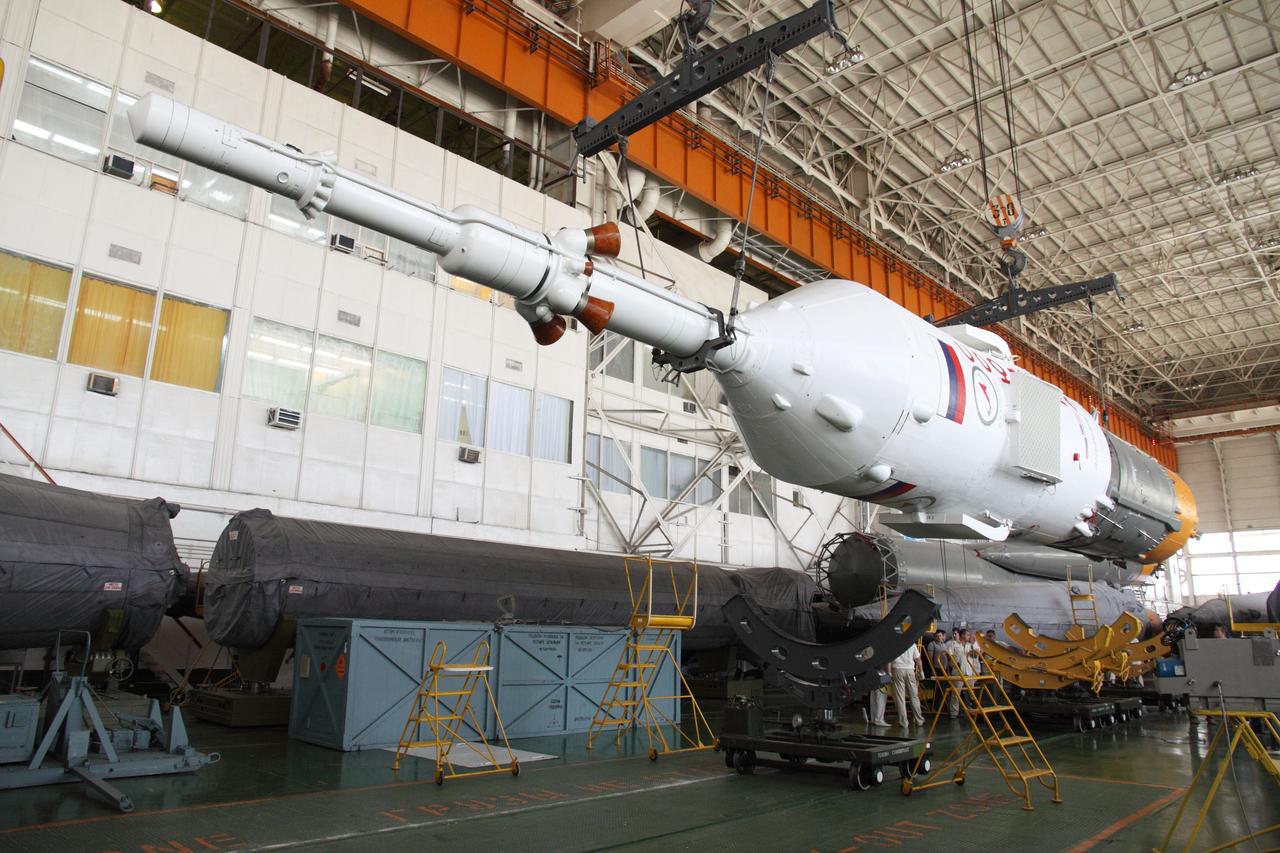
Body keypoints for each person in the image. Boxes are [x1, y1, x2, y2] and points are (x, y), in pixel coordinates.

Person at [891, 641, 926, 727]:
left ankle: (903, 722)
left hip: (897, 669)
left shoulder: (893, 643)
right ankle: (919, 720)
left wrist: (889, 673)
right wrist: (921, 672)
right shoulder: (911, 643)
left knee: (900, 698)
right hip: (910, 670)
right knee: (914, 696)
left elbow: (889, 659)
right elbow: (918, 659)